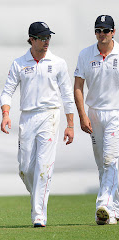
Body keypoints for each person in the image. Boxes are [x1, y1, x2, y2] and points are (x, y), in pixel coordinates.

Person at [0, 22, 75, 227]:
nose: (46, 42)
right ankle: (38, 197)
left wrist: (70, 124)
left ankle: (39, 215)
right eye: (42, 38)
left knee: (44, 166)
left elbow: (67, 95)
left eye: (48, 38)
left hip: (50, 116)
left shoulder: (58, 63)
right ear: (31, 39)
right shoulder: (19, 63)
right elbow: (7, 91)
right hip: (27, 117)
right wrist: (6, 114)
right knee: (24, 168)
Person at [74, 15, 119, 225]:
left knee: (111, 160)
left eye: (106, 30)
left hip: (115, 113)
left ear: (113, 32)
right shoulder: (85, 54)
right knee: (103, 165)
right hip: (94, 114)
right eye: (99, 30)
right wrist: (82, 115)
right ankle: (112, 211)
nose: (102, 34)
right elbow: (78, 86)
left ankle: (102, 204)